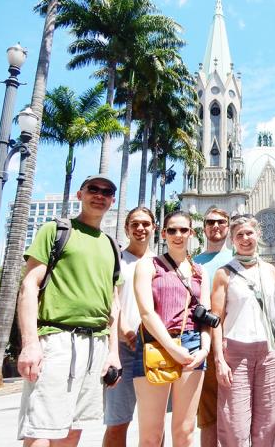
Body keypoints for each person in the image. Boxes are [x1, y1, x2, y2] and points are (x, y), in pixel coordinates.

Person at [17, 175, 122, 446]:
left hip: (96, 345)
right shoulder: (57, 230)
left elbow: (113, 304)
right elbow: (29, 285)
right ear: (80, 194)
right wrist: (30, 344)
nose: (100, 195)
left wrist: (112, 352)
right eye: (93, 190)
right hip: (56, 340)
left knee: (73, 431)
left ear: (113, 200)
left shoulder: (111, 245)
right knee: (41, 430)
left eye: (107, 192)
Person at [133, 210, 211, 447]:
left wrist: (205, 349)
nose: (178, 235)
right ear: (164, 233)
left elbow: (205, 316)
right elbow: (146, 312)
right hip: (155, 345)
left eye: (184, 230)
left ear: (192, 233)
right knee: (151, 435)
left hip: (192, 347)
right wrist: (171, 347)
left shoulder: (200, 271)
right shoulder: (148, 265)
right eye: (172, 230)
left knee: (185, 430)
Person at [211, 214, 275, 446]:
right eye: (239, 235)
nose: (245, 238)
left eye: (249, 233)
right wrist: (219, 360)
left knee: (269, 423)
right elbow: (216, 319)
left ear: (258, 235)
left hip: (269, 353)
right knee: (235, 423)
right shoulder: (224, 273)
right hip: (235, 353)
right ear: (232, 240)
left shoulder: (271, 271)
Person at [103, 207, 156, 447]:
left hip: (154, 351)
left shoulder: (160, 263)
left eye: (146, 224)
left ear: (154, 228)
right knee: (117, 422)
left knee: (153, 424)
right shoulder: (117, 260)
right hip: (122, 350)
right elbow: (110, 301)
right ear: (127, 228)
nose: (140, 228)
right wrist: (124, 329)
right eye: (135, 224)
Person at [192, 207, 233, 447]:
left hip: (235, 343)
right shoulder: (194, 263)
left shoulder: (240, 257)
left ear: (228, 225)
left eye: (221, 221)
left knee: (236, 412)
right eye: (210, 222)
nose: (215, 226)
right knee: (208, 415)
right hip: (203, 343)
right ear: (204, 227)